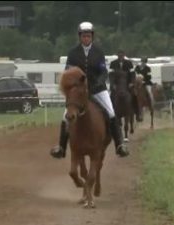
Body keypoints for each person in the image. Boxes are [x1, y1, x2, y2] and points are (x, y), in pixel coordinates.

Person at [50, 21, 129, 159]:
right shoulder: (73, 53)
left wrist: (99, 82)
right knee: (65, 116)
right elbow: (68, 72)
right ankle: (61, 147)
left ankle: (119, 145)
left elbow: (103, 71)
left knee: (111, 112)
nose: (86, 38)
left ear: (92, 36)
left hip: (97, 89)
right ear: (79, 37)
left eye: (88, 36)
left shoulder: (98, 52)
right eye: (83, 36)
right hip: (79, 92)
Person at [110, 50, 140, 121]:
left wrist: (132, 82)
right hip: (117, 85)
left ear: (124, 55)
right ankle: (110, 113)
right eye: (119, 55)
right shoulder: (113, 63)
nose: (120, 56)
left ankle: (137, 112)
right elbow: (111, 75)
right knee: (111, 96)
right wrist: (112, 84)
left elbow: (133, 74)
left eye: (122, 55)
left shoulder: (129, 63)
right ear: (117, 55)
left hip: (127, 84)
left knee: (135, 95)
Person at [134, 57, 154, 121]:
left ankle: (151, 103)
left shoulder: (148, 68)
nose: (143, 63)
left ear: (146, 62)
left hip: (146, 83)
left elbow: (149, 77)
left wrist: (144, 81)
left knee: (149, 92)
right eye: (142, 61)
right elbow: (135, 75)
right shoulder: (137, 67)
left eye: (144, 62)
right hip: (137, 83)